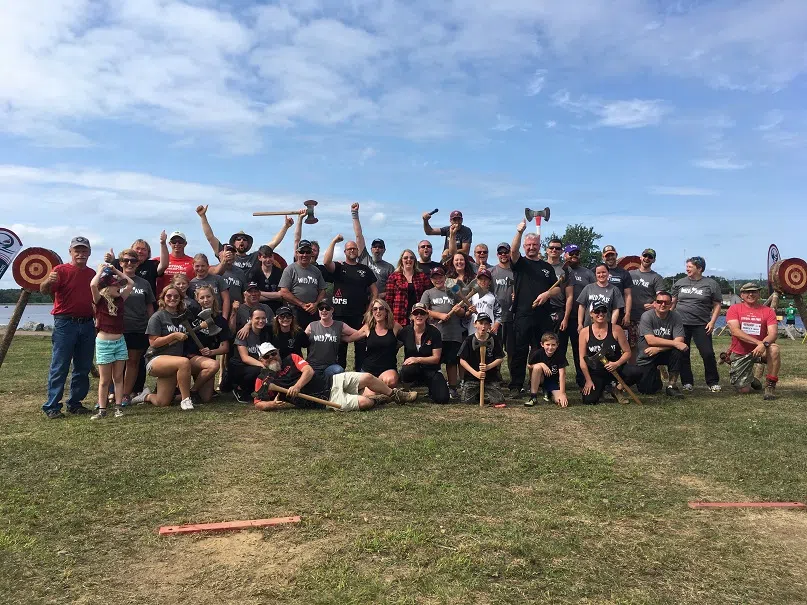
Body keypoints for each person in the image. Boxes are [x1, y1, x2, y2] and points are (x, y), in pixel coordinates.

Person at [251, 343, 417, 411]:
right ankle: (381, 399)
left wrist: (297, 387)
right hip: (324, 400)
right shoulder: (264, 379)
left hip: (331, 381)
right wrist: (272, 404)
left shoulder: (292, 358)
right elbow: (258, 403)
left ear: (278, 353)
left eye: (273, 353)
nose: (272, 357)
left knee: (367, 377)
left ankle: (396, 395)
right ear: (261, 360)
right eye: (267, 356)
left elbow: (308, 371)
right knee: (365, 403)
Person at [41, 236, 96, 419]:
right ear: (70, 252)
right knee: (60, 365)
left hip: (87, 323)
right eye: (77, 250)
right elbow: (43, 289)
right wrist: (49, 281)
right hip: (65, 323)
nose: (80, 253)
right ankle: (52, 406)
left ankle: (75, 403)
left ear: (89, 252)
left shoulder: (91, 274)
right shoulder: (60, 270)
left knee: (83, 366)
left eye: (84, 250)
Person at [508, 219, 562, 392]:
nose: (531, 247)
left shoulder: (547, 267)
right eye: (528, 245)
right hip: (523, 314)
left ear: (540, 246)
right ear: (525, 246)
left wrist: (547, 293)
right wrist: (519, 232)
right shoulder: (520, 263)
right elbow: (513, 250)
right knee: (519, 351)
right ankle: (516, 385)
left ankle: (541, 384)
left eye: (535, 245)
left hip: (543, 315)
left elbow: (558, 289)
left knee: (543, 350)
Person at [322, 233, 378, 371]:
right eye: (349, 249)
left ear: (358, 251)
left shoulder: (365, 270)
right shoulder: (339, 267)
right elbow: (326, 262)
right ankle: (340, 374)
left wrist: (369, 310)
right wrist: (334, 241)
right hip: (340, 315)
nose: (352, 251)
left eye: (354, 249)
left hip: (359, 315)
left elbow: (375, 292)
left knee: (361, 346)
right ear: (345, 252)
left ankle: (359, 374)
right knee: (340, 348)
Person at [134, 285, 194, 410]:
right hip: (155, 359)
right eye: (169, 296)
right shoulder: (157, 317)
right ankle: (186, 400)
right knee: (184, 362)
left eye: (176, 296)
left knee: (162, 402)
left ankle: (146, 396)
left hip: (173, 362)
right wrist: (174, 336)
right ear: (163, 298)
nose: (172, 298)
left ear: (180, 299)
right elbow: (153, 343)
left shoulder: (184, 316)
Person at [671, 256, 722, 392]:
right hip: (680, 324)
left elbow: (717, 305)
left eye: (690, 267)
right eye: (687, 266)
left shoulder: (711, 284)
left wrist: (712, 322)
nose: (687, 269)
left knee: (707, 353)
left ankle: (712, 381)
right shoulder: (680, 283)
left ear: (699, 268)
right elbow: (673, 302)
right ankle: (687, 382)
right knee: (683, 353)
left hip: (702, 324)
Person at [89, 264, 134, 419]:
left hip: (120, 341)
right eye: (115, 286)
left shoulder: (120, 300)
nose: (119, 288)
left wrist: (116, 271)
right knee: (104, 380)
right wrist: (100, 271)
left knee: (118, 378)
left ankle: (118, 407)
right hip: (104, 343)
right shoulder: (99, 300)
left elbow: (130, 283)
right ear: (107, 288)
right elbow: (93, 284)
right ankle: (102, 409)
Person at [196, 204, 295, 273]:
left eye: (244, 239)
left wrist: (285, 227)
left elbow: (274, 243)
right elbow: (210, 237)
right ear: (234, 243)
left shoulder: (255, 257)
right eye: (238, 239)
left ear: (248, 244)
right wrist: (203, 216)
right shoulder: (225, 254)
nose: (242, 241)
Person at [726, 283, 780, 400]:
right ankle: (751, 380)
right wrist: (758, 343)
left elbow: (773, 333)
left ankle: (770, 386)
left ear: (759, 294)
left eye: (754, 291)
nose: (750, 294)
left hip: (760, 351)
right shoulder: (734, 309)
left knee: (774, 349)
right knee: (743, 390)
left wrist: (763, 345)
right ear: (742, 295)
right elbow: (735, 331)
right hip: (740, 353)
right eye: (747, 292)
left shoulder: (768, 311)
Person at [421, 266, 467, 399]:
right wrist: (439, 315)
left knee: (452, 362)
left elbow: (463, 312)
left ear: (445, 278)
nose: (438, 280)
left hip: (453, 333)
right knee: (435, 362)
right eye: (435, 278)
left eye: (440, 277)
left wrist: (458, 310)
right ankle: (433, 387)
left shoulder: (453, 291)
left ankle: (453, 388)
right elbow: (423, 310)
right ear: (431, 280)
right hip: (436, 333)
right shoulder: (428, 293)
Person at [578, 303, 638, 405]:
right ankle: (602, 388)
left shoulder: (617, 329)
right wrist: (588, 380)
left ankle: (616, 389)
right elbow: (583, 360)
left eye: (603, 311)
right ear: (591, 314)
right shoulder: (584, 332)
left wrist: (617, 363)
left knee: (637, 371)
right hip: (596, 371)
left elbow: (627, 352)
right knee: (589, 400)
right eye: (597, 311)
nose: (600, 314)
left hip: (616, 369)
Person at [118, 249, 155, 407]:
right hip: (117, 328)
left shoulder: (143, 283)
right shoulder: (113, 281)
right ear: (120, 263)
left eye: (133, 261)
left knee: (133, 362)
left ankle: (126, 394)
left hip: (139, 327)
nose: (129, 263)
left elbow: (150, 308)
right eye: (126, 260)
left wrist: (152, 328)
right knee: (116, 362)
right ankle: (113, 393)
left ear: (138, 263)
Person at [635, 290, 688, 397]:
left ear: (671, 304)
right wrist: (674, 343)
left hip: (662, 352)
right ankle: (656, 376)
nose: (663, 304)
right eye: (659, 302)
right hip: (647, 354)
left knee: (678, 352)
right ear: (654, 303)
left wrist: (659, 349)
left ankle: (672, 386)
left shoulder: (676, 316)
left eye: (666, 302)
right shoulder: (647, 316)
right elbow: (651, 340)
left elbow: (680, 342)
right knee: (647, 390)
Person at [185, 285, 231, 404]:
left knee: (206, 398)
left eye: (208, 296)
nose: (206, 300)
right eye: (202, 297)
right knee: (214, 365)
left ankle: (189, 393)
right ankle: (192, 391)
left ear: (214, 297)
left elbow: (225, 348)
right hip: (190, 357)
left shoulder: (220, 320)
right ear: (197, 299)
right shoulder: (191, 315)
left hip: (207, 359)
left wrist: (212, 352)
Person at [397, 303, 450, 404]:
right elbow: (394, 346)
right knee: (406, 369)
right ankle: (406, 391)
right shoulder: (405, 332)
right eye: (416, 313)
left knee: (443, 399)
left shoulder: (434, 332)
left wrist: (417, 359)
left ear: (427, 315)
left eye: (422, 313)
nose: (419, 316)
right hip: (412, 369)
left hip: (431, 369)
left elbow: (436, 358)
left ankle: (432, 390)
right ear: (411, 316)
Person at [305, 299, 364, 379]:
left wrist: (347, 338)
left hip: (330, 365)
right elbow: (302, 340)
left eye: (327, 308)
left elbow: (357, 333)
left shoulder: (339, 325)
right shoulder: (312, 326)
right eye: (321, 308)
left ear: (332, 310)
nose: (324, 310)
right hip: (313, 365)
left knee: (339, 370)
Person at [561, 244, 594, 388]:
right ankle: (557, 380)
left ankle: (582, 380)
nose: (574, 256)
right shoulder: (560, 270)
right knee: (559, 349)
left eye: (577, 254)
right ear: (565, 255)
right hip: (561, 317)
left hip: (580, 319)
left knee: (579, 351)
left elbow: (595, 292)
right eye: (571, 253)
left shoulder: (588, 273)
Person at [353, 298, 402, 389]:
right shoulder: (367, 327)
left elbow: (408, 337)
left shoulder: (395, 327)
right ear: (372, 312)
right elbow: (350, 337)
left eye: (381, 308)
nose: (378, 311)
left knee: (391, 381)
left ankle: (377, 386)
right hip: (368, 369)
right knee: (368, 394)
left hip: (388, 369)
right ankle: (379, 388)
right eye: (375, 309)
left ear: (386, 311)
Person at [458, 313, 505, 405]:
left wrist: (488, 367)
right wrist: (476, 373)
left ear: (489, 326)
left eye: (486, 323)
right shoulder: (469, 340)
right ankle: (477, 393)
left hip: (490, 377)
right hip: (472, 377)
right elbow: (462, 360)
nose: (483, 327)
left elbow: (500, 358)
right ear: (475, 324)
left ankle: (485, 394)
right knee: (466, 401)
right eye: (481, 323)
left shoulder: (494, 339)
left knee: (498, 401)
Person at [279, 239, 326, 330]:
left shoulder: (316, 271)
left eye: (307, 252)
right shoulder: (290, 269)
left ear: (311, 253)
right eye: (302, 252)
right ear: (297, 253)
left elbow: (322, 290)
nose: (304, 255)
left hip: (313, 311)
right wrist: (302, 304)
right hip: (295, 311)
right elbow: (284, 292)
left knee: (312, 340)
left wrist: (316, 304)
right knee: (296, 339)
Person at [229, 306, 273, 403]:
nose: (261, 321)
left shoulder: (267, 332)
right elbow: (245, 358)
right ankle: (239, 389)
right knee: (260, 370)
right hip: (240, 367)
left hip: (254, 365)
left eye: (263, 318)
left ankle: (258, 391)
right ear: (250, 319)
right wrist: (263, 366)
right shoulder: (243, 333)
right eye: (257, 318)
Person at [350, 203, 395, 296]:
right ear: (371, 249)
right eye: (375, 247)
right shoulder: (364, 257)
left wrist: (378, 296)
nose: (377, 249)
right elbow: (359, 236)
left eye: (380, 247)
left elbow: (393, 289)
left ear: (384, 250)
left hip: (379, 303)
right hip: (361, 299)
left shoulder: (389, 268)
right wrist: (354, 214)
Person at [628, 249, 666, 360]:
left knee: (647, 345)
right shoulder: (630, 274)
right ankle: (633, 371)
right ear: (640, 257)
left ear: (653, 260)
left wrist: (655, 304)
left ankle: (654, 369)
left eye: (650, 257)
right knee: (631, 345)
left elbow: (661, 296)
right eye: (645, 256)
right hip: (631, 316)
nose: (647, 258)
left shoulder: (656, 277)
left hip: (647, 318)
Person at [105, 231, 168, 297]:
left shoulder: (152, 265)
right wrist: (112, 261)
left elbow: (164, 265)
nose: (140, 251)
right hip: (121, 304)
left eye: (144, 249)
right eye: (137, 248)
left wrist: (163, 244)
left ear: (148, 253)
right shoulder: (118, 263)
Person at [385, 249, 433, 327]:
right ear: (401, 260)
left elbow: (429, 295)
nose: (408, 260)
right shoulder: (393, 277)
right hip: (398, 317)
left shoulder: (422, 276)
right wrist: (388, 317)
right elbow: (389, 299)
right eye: (405, 258)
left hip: (418, 316)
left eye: (411, 258)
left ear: (414, 260)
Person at [526, 332, 568, 408]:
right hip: (540, 379)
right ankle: (533, 397)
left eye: (553, 345)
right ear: (542, 344)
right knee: (537, 367)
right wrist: (541, 364)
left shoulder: (560, 354)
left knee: (560, 401)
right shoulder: (538, 353)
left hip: (552, 381)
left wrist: (562, 393)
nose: (550, 347)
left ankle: (549, 393)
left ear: (557, 345)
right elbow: (529, 366)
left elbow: (562, 374)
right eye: (547, 345)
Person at [490, 242, 515, 369]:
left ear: (510, 253)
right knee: (495, 349)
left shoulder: (516, 271)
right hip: (496, 319)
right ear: (497, 254)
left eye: (506, 252)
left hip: (512, 317)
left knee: (512, 350)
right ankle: (496, 376)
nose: (503, 254)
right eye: (501, 252)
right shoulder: (491, 272)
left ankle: (513, 379)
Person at [576, 264, 625, 329]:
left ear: (608, 273)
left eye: (603, 272)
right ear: (595, 274)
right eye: (598, 273)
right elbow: (581, 306)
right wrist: (580, 324)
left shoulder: (614, 289)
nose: (601, 275)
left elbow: (616, 309)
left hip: (606, 326)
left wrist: (612, 326)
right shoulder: (588, 288)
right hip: (588, 326)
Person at [544, 238, 569, 352]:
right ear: (547, 250)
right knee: (543, 345)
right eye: (551, 248)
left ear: (561, 251)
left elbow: (570, 296)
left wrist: (566, 317)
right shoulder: (540, 266)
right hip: (543, 309)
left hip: (559, 310)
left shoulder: (565, 270)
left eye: (557, 248)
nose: (554, 250)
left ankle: (558, 369)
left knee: (559, 346)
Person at [189, 253, 230, 319]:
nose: (200, 268)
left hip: (217, 315)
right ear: (193, 266)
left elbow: (226, 299)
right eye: (197, 266)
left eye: (203, 266)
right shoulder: (191, 284)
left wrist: (224, 318)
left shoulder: (217, 279)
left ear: (208, 266)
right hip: (200, 318)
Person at [601, 245, 633, 329]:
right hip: (600, 311)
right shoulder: (597, 271)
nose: (610, 258)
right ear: (603, 257)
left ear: (616, 255)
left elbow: (628, 295)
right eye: (607, 255)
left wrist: (627, 314)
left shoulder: (624, 273)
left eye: (612, 255)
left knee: (618, 337)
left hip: (619, 311)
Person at [248, 245, 285, 313]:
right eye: (265, 257)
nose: (268, 260)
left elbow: (281, 295)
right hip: (258, 310)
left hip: (277, 310)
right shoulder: (254, 273)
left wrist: (260, 293)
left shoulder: (280, 272)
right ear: (259, 257)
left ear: (273, 256)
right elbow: (252, 297)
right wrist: (274, 296)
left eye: (270, 256)